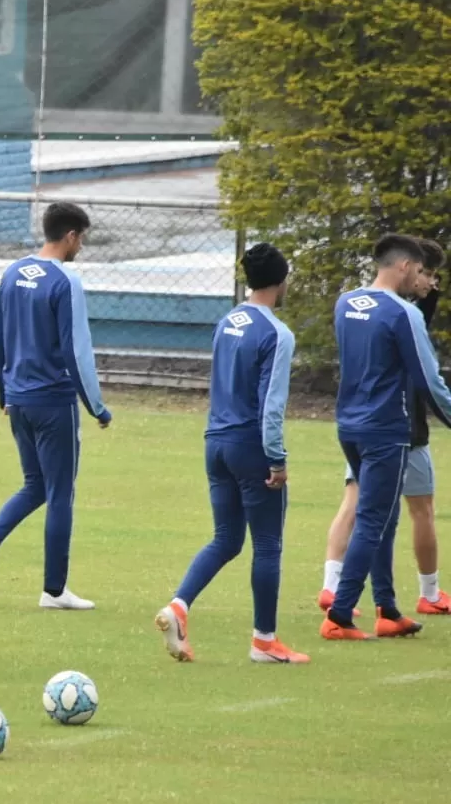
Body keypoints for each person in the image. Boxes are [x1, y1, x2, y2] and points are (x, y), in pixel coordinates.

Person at [154, 243, 308, 663]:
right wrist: (276, 459)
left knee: (226, 538)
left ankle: (179, 606)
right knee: (268, 544)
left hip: (215, 441)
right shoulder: (277, 333)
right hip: (249, 446)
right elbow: (271, 406)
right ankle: (264, 641)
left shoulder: (227, 321)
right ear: (281, 282)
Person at [0, 202, 112, 609]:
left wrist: (3, 393)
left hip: (18, 397)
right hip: (53, 400)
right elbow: (75, 350)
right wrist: (96, 406)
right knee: (60, 492)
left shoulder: (12, 273)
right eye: (81, 239)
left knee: (37, 485)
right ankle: (54, 590)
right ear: (71, 236)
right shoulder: (66, 280)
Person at [324, 234, 451, 641]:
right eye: (418, 269)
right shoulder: (403, 314)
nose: (420, 276)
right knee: (374, 520)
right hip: (387, 428)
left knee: (384, 516)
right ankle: (340, 616)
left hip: (349, 423)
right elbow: (428, 380)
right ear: (402, 266)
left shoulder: (346, 302)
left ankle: (387, 609)